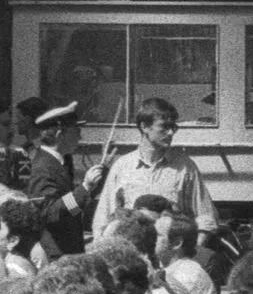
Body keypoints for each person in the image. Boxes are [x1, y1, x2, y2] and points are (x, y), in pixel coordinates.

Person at [93, 97, 218, 231]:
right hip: (133, 242)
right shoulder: (122, 167)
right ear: (145, 127)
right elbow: (102, 221)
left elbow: (207, 218)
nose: (170, 133)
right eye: (164, 126)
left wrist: (195, 243)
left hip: (172, 242)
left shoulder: (185, 167)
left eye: (173, 127)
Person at [13, 98, 93, 257]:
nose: (80, 138)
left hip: (65, 251)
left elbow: (68, 208)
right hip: (54, 254)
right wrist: (84, 188)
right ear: (59, 134)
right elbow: (49, 213)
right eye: (76, 132)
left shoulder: (59, 162)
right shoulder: (42, 167)